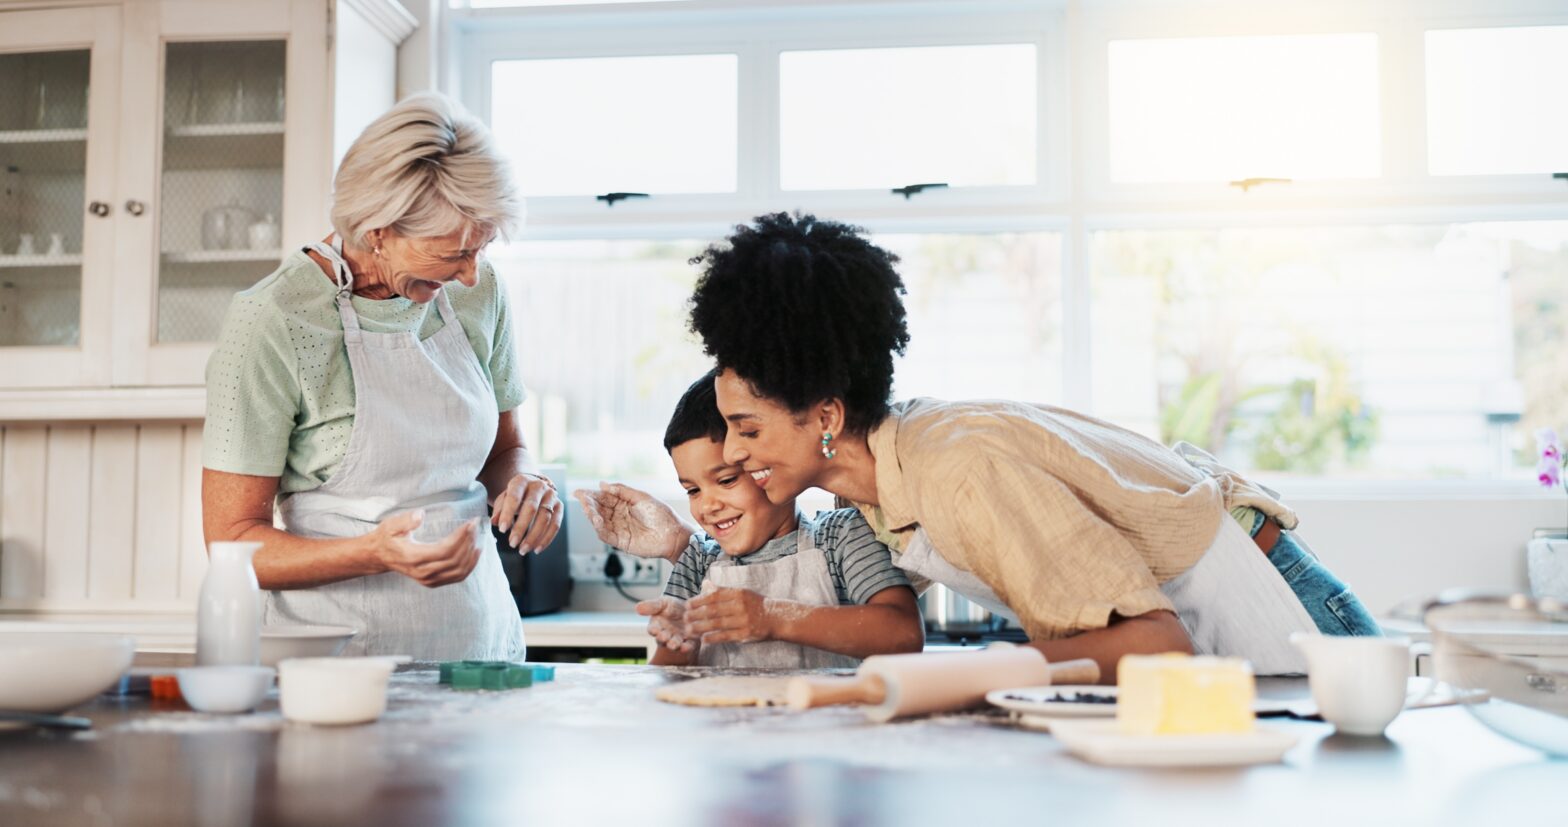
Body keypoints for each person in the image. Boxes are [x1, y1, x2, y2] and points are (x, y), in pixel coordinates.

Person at [594, 212, 1381, 682]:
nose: (736, 453)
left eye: (750, 429)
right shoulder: (867, 481)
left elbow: (1156, 641)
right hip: (1214, 631)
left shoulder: (958, 468)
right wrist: (679, 545)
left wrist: (977, 677)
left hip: (1283, 616)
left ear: (826, 415)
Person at [200, 93, 561, 660]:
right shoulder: (272, 321)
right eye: (454, 254)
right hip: (335, 657)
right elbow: (233, 542)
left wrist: (526, 484)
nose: (471, 275)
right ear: (378, 230)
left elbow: (504, 449)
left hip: (477, 642)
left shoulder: (478, 292)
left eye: (482, 248)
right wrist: (375, 553)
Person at [580, 370, 923, 668]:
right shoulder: (698, 559)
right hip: (729, 740)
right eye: (692, 490)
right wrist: (679, 642)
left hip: (827, 733)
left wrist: (771, 616)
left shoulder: (841, 537)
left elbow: (903, 634)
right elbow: (669, 676)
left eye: (727, 480)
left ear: (763, 469)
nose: (708, 505)